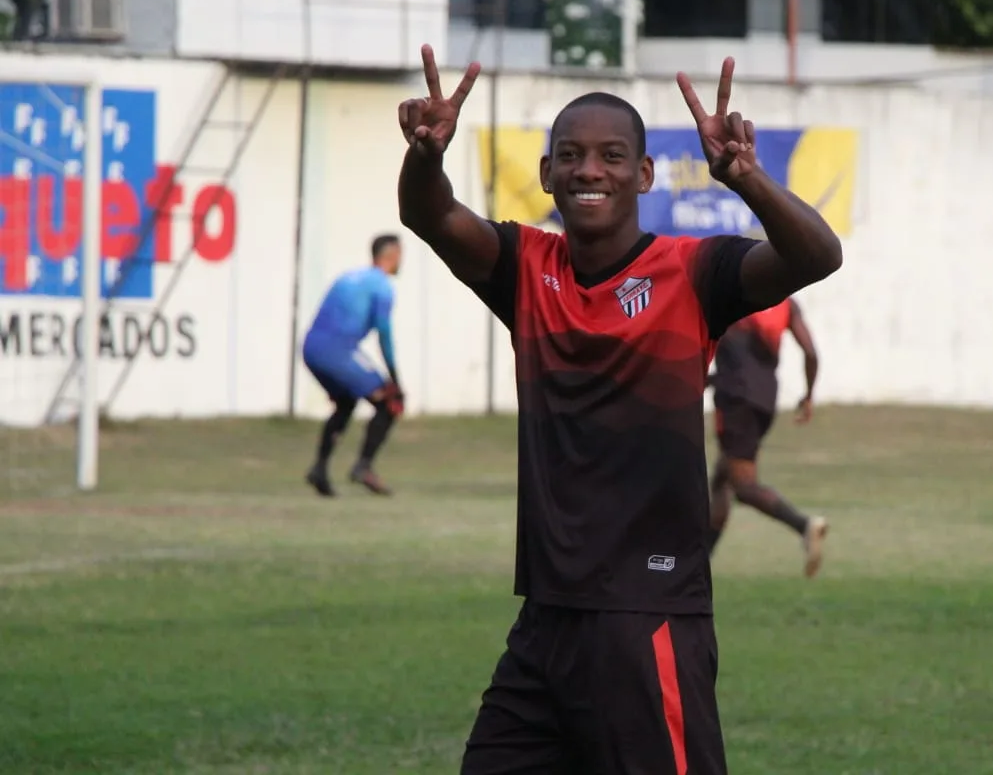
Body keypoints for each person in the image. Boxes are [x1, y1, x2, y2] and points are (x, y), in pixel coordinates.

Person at [397, 45, 842, 775]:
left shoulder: (692, 272)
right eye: (569, 155)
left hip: (648, 616)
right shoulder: (523, 268)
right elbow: (429, 213)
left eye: (610, 156)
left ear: (643, 175)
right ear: (546, 175)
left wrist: (746, 177)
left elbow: (817, 256)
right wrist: (426, 155)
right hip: (545, 620)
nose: (588, 170)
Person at [707, 297, 829, 576]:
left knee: (744, 486)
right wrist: (808, 395)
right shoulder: (786, 303)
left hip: (736, 401)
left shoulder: (732, 288)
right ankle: (700, 563)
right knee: (722, 478)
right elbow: (811, 353)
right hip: (764, 401)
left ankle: (805, 526)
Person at [301, 234, 405, 498]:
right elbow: (384, 334)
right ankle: (363, 467)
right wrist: (395, 379)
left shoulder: (348, 277)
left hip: (311, 348)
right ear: (391, 255)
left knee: (347, 402)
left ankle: (320, 469)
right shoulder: (382, 287)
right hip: (338, 352)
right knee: (391, 402)